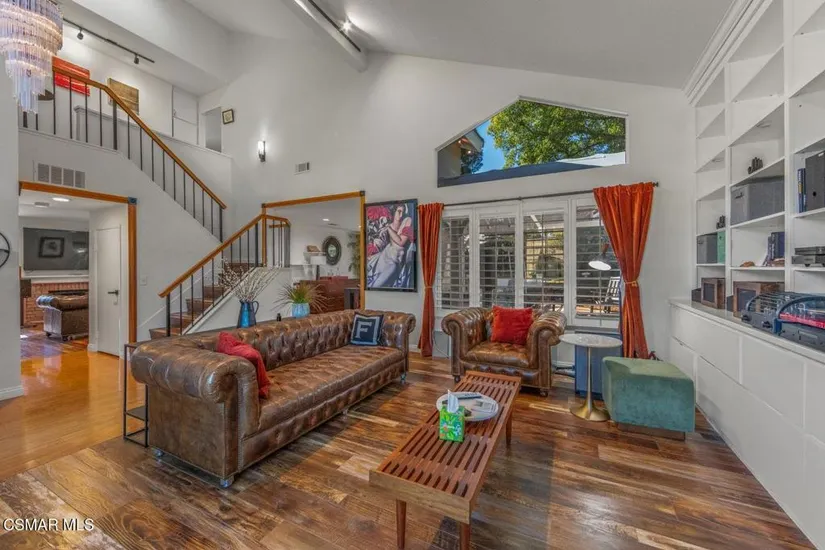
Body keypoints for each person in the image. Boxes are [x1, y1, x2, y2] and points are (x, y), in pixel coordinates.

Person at [367, 203, 415, 288]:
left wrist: (388, 229)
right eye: (399, 211)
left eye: (403, 212)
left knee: (377, 285)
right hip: (384, 256)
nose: (401, 215)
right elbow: (382, 243)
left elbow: (401, 242)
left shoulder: (406, 221)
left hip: (393, 262)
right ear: (394, 211)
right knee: (371, 284)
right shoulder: (387, 226)